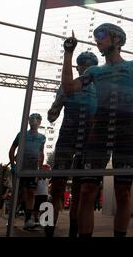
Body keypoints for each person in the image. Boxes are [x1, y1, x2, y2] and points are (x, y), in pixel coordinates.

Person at [61, 23, 133, 237]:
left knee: (122, 193)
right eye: (95, 36)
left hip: (125, 130)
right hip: (99, 130)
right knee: (86, 191)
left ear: (118, 40)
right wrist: (68, 53)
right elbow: (68, 89)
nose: (97, 39)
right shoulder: (94, 71)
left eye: (101, 35)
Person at [45, 51, 98, 237]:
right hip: (67, 138)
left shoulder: (100, 87)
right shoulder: (67, 86)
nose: (88, 69)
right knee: (57, 187)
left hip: (87, 142)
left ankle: (73, 233)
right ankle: (48, 230)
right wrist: (56, 105)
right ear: (78, 68)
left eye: (92, 66)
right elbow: (52, 115)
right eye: (84, 66)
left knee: (80, 190)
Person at [8, 113, 46, 230]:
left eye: (37, 120)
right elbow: (12, 149)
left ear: (40, 122)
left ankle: (27, 220)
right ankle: (12, 218)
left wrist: (40, 170)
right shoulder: (21, 134)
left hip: (33, 170)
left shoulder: (42, 137)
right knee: (19, 194)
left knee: (30, 193)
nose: (34, 122)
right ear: (29, 121)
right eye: (32, 119)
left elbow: (41, 153)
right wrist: (13, 165)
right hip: (21, 168)